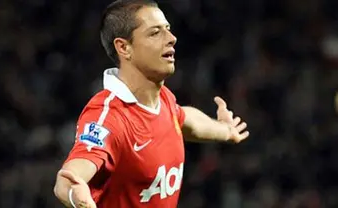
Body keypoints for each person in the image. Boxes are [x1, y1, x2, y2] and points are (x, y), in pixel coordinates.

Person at [53, 0, 249, 207]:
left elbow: (182, 118)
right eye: (155, 33)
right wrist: (78, 197)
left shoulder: (162, 98)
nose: (172, 39)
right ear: (124, 47)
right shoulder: (109, 117)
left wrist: (224, 130)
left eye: (168, 30)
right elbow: (67, 180)